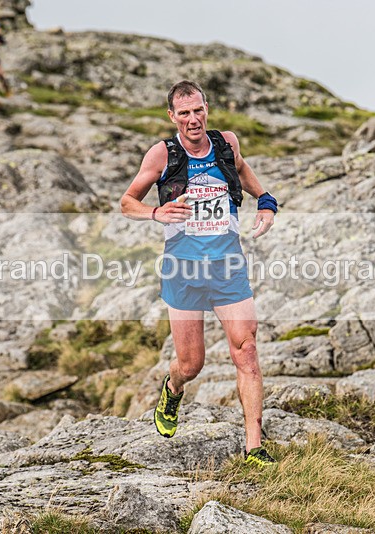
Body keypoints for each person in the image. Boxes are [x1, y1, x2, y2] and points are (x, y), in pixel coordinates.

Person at [120, 80, 279, 467]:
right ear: (172, 116)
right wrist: (156, 212)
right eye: (185, 113)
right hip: (183, 270)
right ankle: (172, 390)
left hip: (228, 266)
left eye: (199, 111)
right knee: (192, 364)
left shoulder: (226, 143)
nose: (193, 119)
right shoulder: (162, 154)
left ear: (207, 109)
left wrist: (267, 201)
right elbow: (127, 203)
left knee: (248, 350)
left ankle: (254, 447)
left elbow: (241, 172)